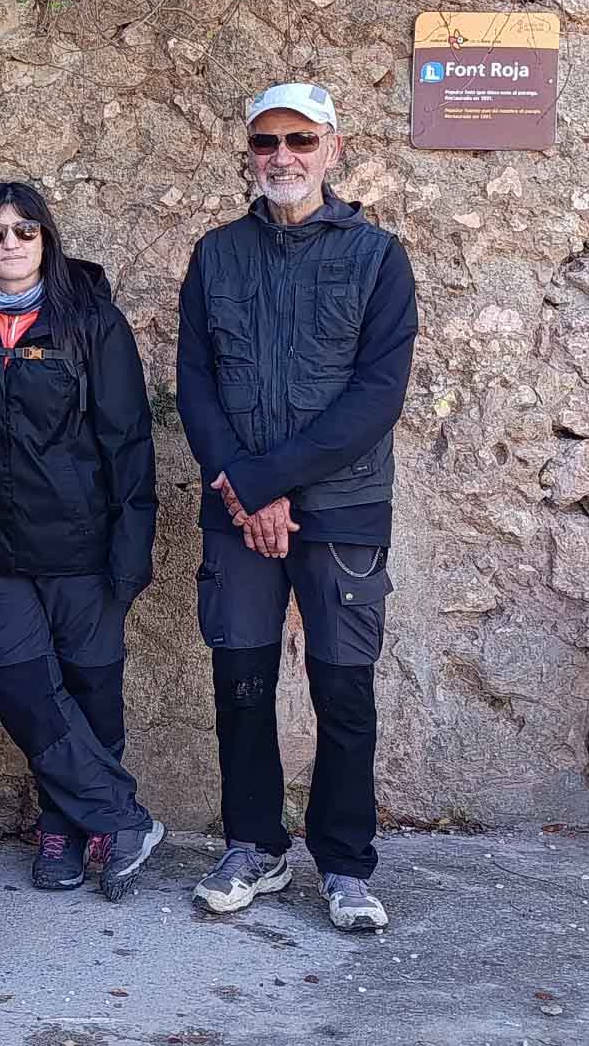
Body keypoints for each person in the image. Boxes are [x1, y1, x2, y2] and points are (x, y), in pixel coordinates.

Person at [177, 82, 417, 933]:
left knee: (342, 688)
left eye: (300, 141)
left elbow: (377, 396)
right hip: (239, 511)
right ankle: (254, 846)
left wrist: (270, 482)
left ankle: (346, 864)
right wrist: (246, 487)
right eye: (267, 142)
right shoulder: (215, 256)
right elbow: (196, 387)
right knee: (240, 680)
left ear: (332, 149)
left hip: (341, 509)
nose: (283, 157)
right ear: (249, 152)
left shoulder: (378, 257)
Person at [0, 181, 165, 901]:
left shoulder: (92, 323)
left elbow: (129, 443)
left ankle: (68, 824)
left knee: (91, 690)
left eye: (24, 231)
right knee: (25, 690)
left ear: (46, 239)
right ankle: (119, 817)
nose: (9, 244)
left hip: (86, 549)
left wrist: (130, 554)